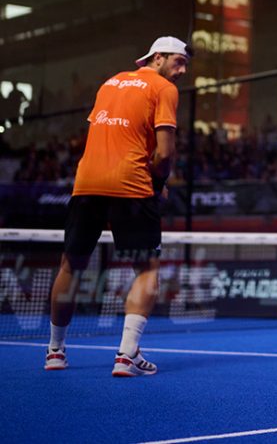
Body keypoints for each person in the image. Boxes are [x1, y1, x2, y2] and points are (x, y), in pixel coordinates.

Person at [45, 36, 190, 376]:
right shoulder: (164, 89)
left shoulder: (109, 82)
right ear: (158, 57)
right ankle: (127, 356)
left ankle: (55, 351)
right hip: (131, 184)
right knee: (147, 269)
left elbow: (102, 134)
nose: (182, 70)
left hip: (87, 183)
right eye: (178, 62)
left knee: (70, 266)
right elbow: (165, 153)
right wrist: (158, 185)